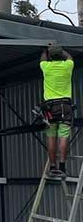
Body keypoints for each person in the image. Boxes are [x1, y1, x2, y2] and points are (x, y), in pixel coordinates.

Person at [40, 43, 75, 178]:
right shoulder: (68, 66)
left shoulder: (46, 67)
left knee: (51, 136)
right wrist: (60, 49)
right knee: (63, 136)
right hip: (65, 106)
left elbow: (42, 58)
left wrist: (46, 49)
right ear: (61, 55)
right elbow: (69, 56)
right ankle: (62, 166)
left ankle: (53, 166)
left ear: (50, 56)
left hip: (50, 107)